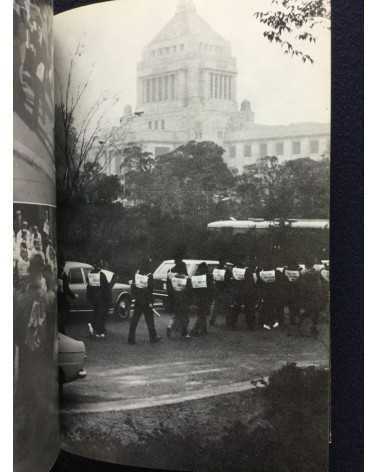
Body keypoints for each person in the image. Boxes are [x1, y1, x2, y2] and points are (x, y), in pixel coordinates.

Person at [128, 257, 161, 345]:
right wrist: (151, 302)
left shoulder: (137, 273)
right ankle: (153, 337)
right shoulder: (149, 275)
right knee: (150, 320)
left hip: (138, 300)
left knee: (134, 320)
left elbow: (133, 286)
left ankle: (131, 338)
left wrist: (135, 296)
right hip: (146, 301)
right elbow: (150, 290)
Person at [87, 260, 114, 338]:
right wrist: (109, 299)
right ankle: (100, 332)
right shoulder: (102, 275)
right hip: (101, 298)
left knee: (96, 313)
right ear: (100, 266)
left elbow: (89, 286)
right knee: (101, 315)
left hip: (93, 297)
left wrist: (89, 297)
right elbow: (106, 288)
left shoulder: (90, 274)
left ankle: (93, 326)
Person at [166, 257, 191, 338]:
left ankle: (169, 327)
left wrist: (171, 295)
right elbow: (189, 288)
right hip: (183, 298)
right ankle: (185, 332)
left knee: (175, 314)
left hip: (174, 297)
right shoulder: (186, 276)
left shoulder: (170, 274)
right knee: (185, 316)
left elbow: (168, 286)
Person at [190, 262, 213, 336]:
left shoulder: (196, 276)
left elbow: (193, 288)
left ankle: (203, 329)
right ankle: (195, 330)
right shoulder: (208, 276)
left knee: (201, 314)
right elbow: (211, 288)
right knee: (202, 314)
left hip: (198, 298)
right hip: (206, 298)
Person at [57, 260, 77, 334]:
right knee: (64, 313)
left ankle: (60, 329)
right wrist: (73, 296)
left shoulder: (55, 272)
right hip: (61, 297)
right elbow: (66, 288)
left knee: (59, 314)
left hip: (56, 296)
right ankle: (61, 330)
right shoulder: (63, 274)